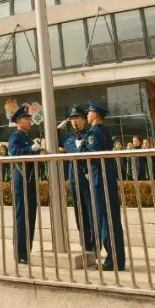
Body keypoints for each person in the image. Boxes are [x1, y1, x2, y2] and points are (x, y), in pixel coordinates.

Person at [84, 102, 126, 272]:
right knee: (111, 219)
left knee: (105, 219)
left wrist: (81, 149)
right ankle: (117, 259)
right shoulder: (103, 131)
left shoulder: (95, 133)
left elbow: (93, 155)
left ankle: (112, 260)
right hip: (105, 177)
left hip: (100, 179)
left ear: (95, 114)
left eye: (89, 113)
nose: (87, 115)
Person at [6, 104, 39, 264]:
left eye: (29, 118)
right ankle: (20, 253)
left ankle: (26, 251)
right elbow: (14, 153)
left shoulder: (27, 137)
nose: (29, 121)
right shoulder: (16, 137)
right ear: (18, 121)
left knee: (30, 216)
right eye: (26, 118)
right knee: (22, 217)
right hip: (22, 178)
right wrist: (31, 149)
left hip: (31, 179)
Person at [60, 106, 93, 253]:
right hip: (74, 179)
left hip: (87, 178)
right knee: (79, 214)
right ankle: (86, 245)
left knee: (91, 212)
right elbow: (52, 136)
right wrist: (62, 124)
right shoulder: (68, 138)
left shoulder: (90, 136)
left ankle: (95, 246)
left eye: (77, 118)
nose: (74, 121)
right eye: (72, 119)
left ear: (84, 120)